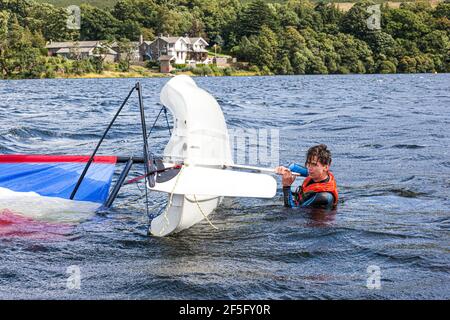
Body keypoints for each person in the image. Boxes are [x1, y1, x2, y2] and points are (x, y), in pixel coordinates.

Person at [275, 144, 338, 209]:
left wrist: (286, 187)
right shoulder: (317, 174)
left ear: (326, 167)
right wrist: (285, 169)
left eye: (314, 164)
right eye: (308, 163)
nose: (309, 168)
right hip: (302, 201)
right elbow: (293, 167)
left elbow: (291, 211)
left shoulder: (323, 197)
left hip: (312, 216)